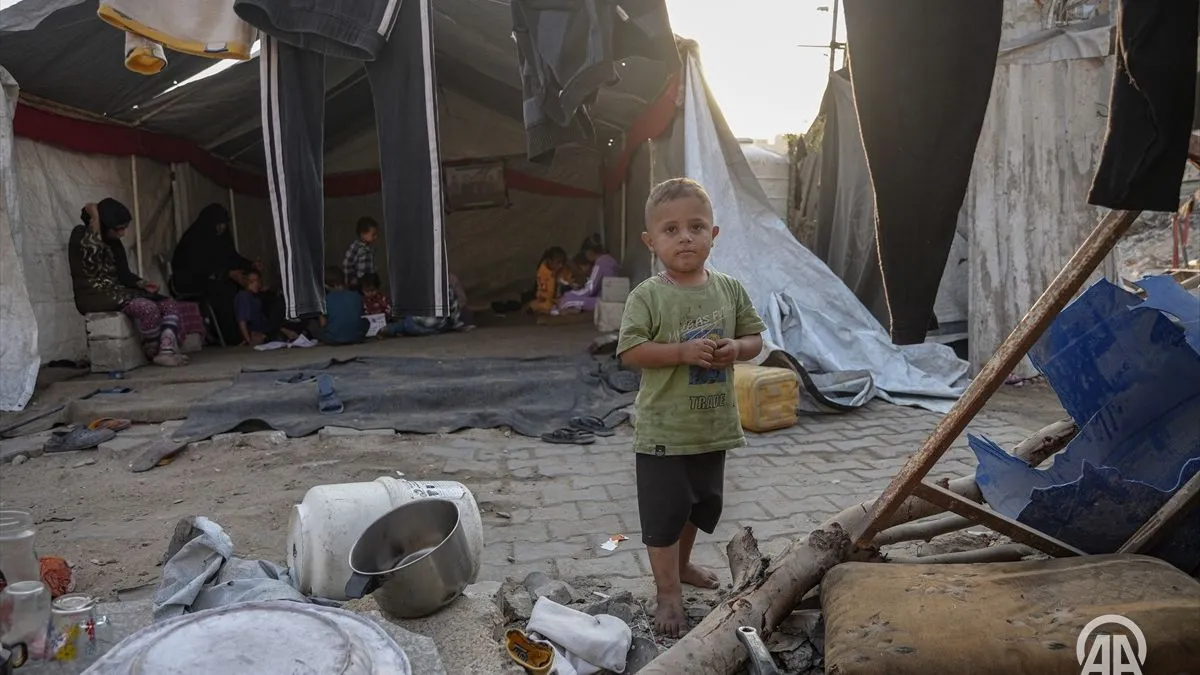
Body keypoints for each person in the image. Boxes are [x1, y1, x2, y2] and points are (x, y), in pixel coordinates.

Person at [616, 178, 766, 638]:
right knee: (663, 517)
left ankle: (681, 567)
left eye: (696, 227)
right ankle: (666, 592)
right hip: (663, 433)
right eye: (671, 229)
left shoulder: (729, 290)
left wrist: (734, 350)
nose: (685, 237)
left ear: (713, 234)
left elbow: (755, 341)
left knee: (696, 507)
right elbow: (630, 352)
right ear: (651, 241)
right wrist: (680, 353)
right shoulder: (649, 295)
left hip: (711, 428)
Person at [68, 199, 187, 367]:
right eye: (118, 229)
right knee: (147, 308)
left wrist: (141, 284)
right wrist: (95, 217)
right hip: (95, 295)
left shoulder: (114, 242)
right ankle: (152, 352)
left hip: (116, 291)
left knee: (168, 303)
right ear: (104, 224)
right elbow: (92, 252)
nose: (122, 234)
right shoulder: (80, 235)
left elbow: (123, 274)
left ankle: (165, 351)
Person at [171, 203, 259, 343]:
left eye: (224, 224)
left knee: (246, 289)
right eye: (218, 224)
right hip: (189, 280)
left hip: (215, 278)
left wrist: (249, 265)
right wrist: (226, 274)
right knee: (224, 291)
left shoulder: (222, 237)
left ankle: (254, 332)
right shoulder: (194, 238)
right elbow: (197, 267)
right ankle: (231, 338)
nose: (222, 228)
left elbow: (231, 257)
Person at [234, 270, 300, 346]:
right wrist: (248, 340)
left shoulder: (257, 298)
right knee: (279, 338)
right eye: (251, 281)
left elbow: (269, 324)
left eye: (257, 281)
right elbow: (242, 321)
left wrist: (285, 330)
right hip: (256, 333)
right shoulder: (244, 296)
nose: (256, 283)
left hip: (267, 329)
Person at [557, 236, 620, 313]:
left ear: (590, 252)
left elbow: (590, 289)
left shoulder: (601, 262)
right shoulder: (609, 260)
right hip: (607, 299)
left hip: (603, 301)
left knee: (567, 301)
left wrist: (569, 294)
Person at [318, 267, 367, 345]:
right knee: (366, 322)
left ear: (325, 285)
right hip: (356, 337)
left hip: (332, 339)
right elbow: (360, 315)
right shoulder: (356, 295)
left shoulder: (323, 300)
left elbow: (323, 324)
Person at [342, 217, 379, 290]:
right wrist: (351, 279)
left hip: (369, 282)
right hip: (359, 282)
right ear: (363, 234)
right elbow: (347, 264)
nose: (376, 237)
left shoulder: (369, 249)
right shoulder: (355, 247)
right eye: (373, 234)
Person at [528, 247, 568, 314]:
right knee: (545, 305)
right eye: (558, 263)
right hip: (545, 298)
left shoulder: (559, 269)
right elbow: (543, 287)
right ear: (550, 261)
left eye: (562, 263)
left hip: (554, 297)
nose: (561, 265)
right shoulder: (543, 272)